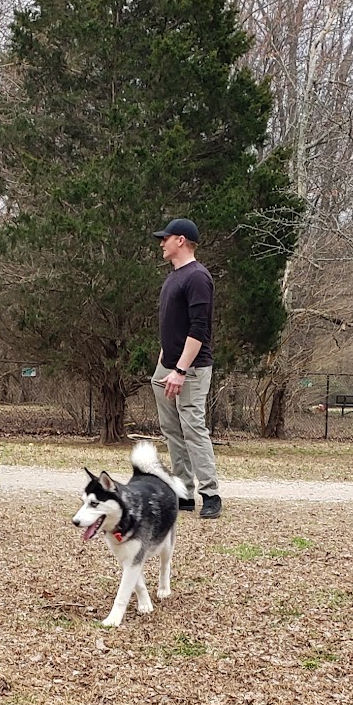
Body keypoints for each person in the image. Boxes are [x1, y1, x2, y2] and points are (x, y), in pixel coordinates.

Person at [150, 217, 220, 518]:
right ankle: (184, 493)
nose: (161, 243)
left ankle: (211, 494)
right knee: (172, 431)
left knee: (193, 429)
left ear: (181, 240)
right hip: (166, 366)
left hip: (189, 370)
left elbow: (199, 329)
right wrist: (165, 364)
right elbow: (173, 328)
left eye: (165, 238)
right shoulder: (173, 277)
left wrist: (180, 370)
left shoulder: (197, 277)